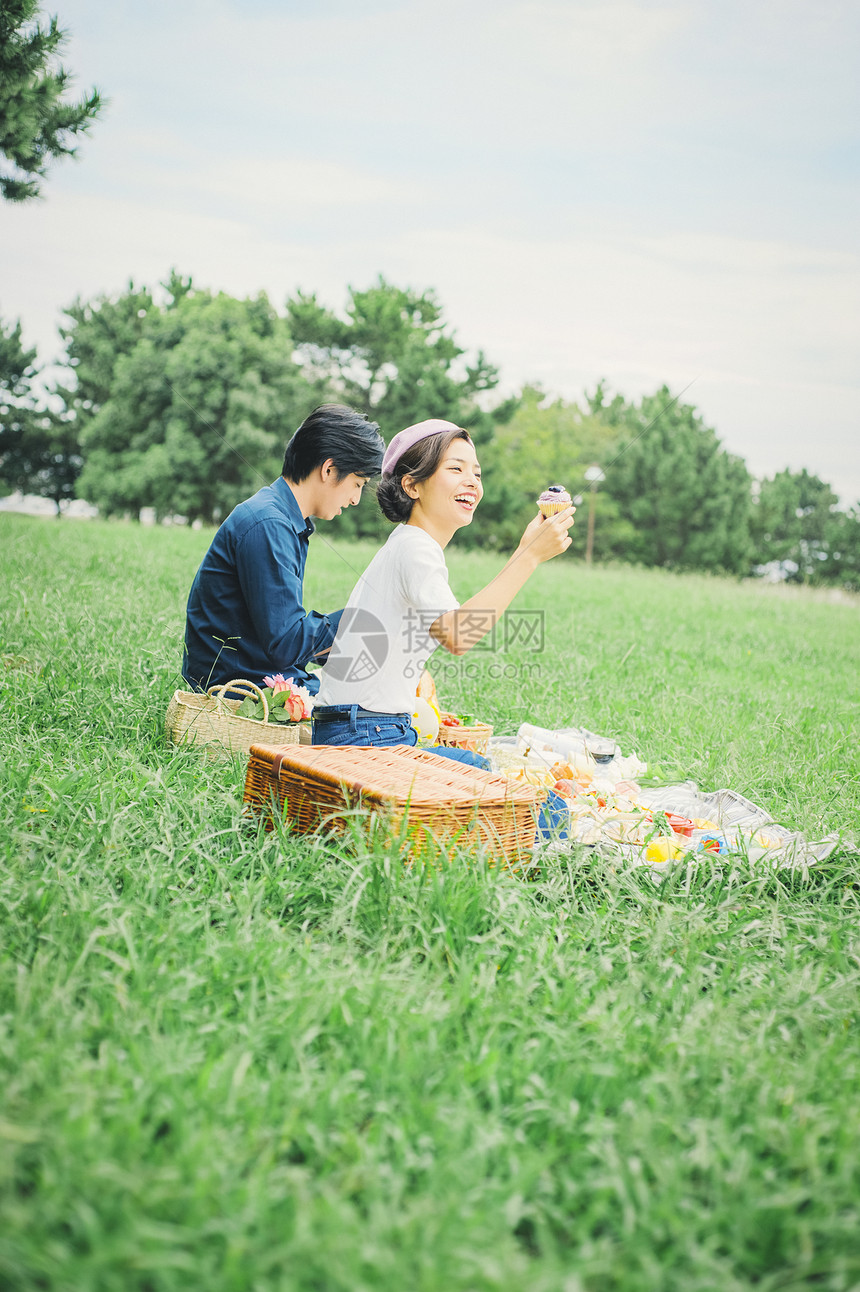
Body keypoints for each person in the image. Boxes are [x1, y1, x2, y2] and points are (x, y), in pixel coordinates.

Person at [311, 418, 575, 764]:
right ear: (412, 486)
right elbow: (458, 635)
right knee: (518, 791)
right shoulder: (415, 548)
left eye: (477, 474)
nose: (472, 482)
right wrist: (528, 557)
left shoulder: (410, 546)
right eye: (456, 468)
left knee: (485, 769)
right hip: (365, 736)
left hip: (359, 729)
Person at [182, 404, 385, 693]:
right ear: (329, 469)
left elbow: (282, 639)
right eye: (357, 483)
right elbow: (285, 643)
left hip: (260, 671)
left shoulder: (284, 519)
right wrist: (362, 619)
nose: (355, 499)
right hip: (239, 688)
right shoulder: (268, 524)